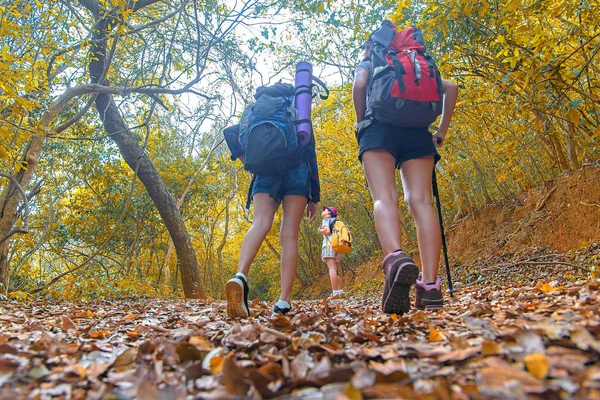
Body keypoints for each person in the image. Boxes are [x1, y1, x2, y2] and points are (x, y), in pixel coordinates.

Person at [352, 34, 458, 315]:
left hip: (378, 128)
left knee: (384, 197)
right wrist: (441, 132)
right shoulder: (420, 64)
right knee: (421, 202)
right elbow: (451, 87)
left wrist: (361, 121)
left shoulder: (371, 61)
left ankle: (396, 258)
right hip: (417, 134)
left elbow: (359, 85)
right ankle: (431, 286)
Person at [223, 116, 320, 318]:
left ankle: (241, 275)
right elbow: (310, 154)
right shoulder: (299, 114)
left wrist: (248, 163)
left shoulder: (258, 113)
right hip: (298, 171)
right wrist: (315, 197)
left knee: (260, 222)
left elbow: (231, 133)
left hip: (265, 171)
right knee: (289, 235)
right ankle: (283, 301)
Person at [318, 206, 344, 298]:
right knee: (335, 269)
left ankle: (335, 293)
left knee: (331, 268)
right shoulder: (336, 221)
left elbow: (327, 231)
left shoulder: (326, 220)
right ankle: (340, 291)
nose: (323, 211)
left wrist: (320, 230)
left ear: (329, 213)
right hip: (338, 247)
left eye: (325, 210)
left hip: (329, 245)